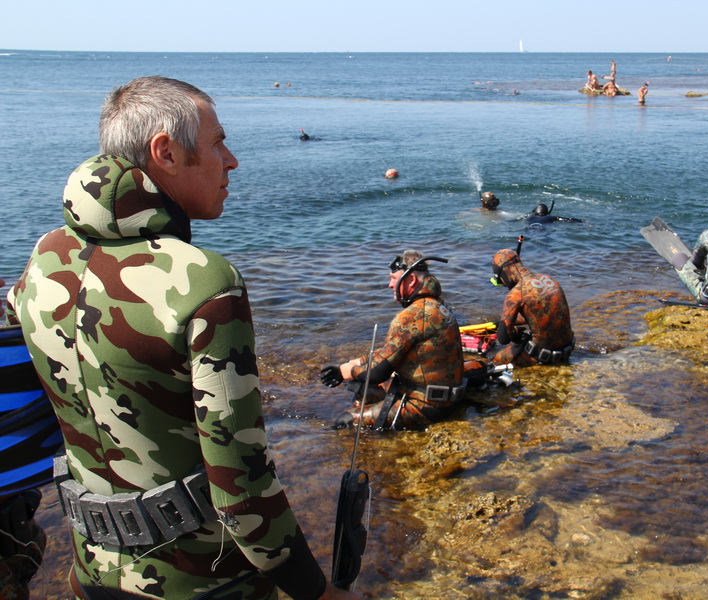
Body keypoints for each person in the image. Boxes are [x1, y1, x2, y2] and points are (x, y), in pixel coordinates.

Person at [6, 76, 358, 600]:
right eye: (218, 143)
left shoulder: (43, 257)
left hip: (88, 572)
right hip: (203, 583)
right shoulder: (205, 282)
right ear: (166, 153)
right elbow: (241, 487)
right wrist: (315, 591)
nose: (232, 161)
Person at [321, 251, 465, 430]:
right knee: (361, 388)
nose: (389, 285)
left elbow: (377, 374)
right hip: (443, 398)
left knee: (344, 420)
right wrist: (359, 362)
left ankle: (374, 441)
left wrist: (345, 372)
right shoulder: (437, 305)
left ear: (411, 280)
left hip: (426, 406)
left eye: (393, 279)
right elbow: (393, 352)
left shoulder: (412, 316)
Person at [489, 249, 575, 367]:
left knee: (497, 358)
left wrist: (512, 332)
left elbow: (503, 338)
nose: (503, 284)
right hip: (567, 349)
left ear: (504, 272)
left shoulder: (516, 293)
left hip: (544, 356)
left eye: (499, 280)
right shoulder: (549, 279)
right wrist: (504, 322)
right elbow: (540, 313)